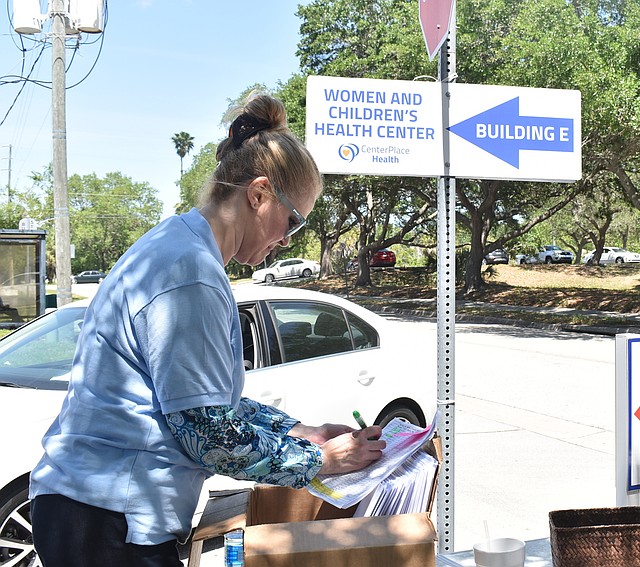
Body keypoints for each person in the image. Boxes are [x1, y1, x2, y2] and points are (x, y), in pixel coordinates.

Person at [28, 93, 386, 567]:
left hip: (97, 509)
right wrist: (321, 461)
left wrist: (304, 432)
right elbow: (209, 435)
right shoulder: (190, 273)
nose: (286, 240)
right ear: (258, 195)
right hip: (106, 516)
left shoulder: (182, 244)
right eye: (293, 221)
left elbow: (208, 402)